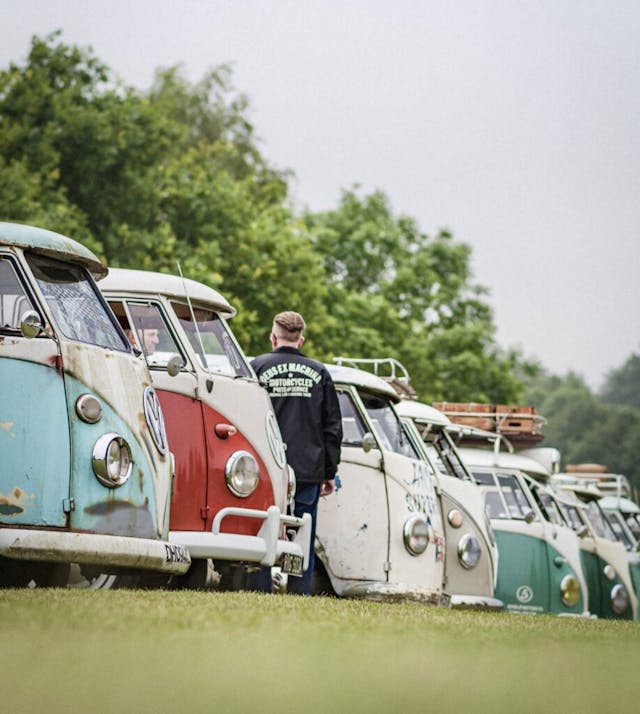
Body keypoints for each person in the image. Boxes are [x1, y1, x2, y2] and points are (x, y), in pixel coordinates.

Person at [251, 311, 343, 595]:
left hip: (267, 467)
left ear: (273, 337)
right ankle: (297, 590)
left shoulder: (256, 367)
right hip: (307, 468)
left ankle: (259, 588)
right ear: (300, 340)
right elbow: (332, 427)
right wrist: (329, 471)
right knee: (301, 532)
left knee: (263, 528)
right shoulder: (320, 373)